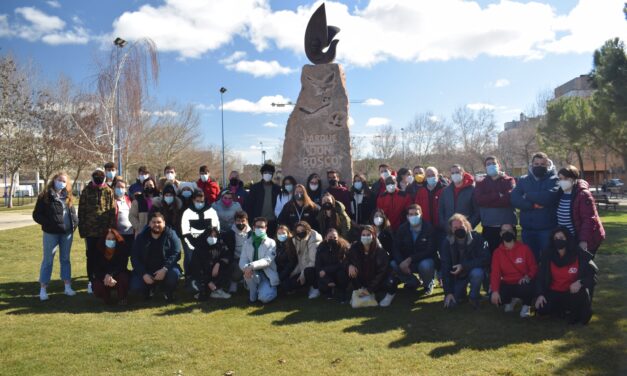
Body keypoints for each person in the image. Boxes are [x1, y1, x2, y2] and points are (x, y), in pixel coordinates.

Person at [535, 227, 597, 325]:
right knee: (541, 309)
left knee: (581, 316)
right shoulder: (548, 255)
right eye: (556, 238)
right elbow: (540, 277)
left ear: (567, 238)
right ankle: (561, 311)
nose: (558, 240)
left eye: (561, 237)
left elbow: (593, 277)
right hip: (553, 291)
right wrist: (540, 294)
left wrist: (580, 282)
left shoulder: (579, 254)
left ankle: (570, 311)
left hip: (571, 292)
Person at [33, 172, 78, 300]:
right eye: (60, 180)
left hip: (67, 233)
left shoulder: (67, 195)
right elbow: (36, 214)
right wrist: (48, 223)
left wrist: (75, 223)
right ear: (54, 180)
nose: (62, 183)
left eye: (64, 181)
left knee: (65, 259)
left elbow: (72, 212)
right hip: (50, 233)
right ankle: (43, 289)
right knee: (48, 260)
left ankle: (67, 287)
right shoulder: (45, 196)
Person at [511, 152, 559, 259]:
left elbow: (549, 197)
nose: (539, 166)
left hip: (547, 229)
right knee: (530, 260)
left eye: (542, 164)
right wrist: (532, 206)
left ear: (547, 165)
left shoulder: (554, 179)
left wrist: (527, 195)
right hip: (528, 230)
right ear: (532, 164)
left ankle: (546, 276)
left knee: (548, 259)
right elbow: (514, 199)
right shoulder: (523, 180)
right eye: (536, 164)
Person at [440, 214, 490, 309]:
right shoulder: (447, 242)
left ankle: (474, 297)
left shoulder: (477, 238)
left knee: (477, 273)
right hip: (456, 275)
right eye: (455, 227)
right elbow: (445, 267)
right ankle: (460, 294)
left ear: (467, 225)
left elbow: (486, 258)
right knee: (452, 304)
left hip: (472, 270)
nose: (459, 229)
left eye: (461, 226)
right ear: (451, 229)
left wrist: (463, 266)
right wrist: (448, 292)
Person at [78, 167, 115, 294]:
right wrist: (82, 230)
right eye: (96, 178)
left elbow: (112, 210)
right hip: (90, 231)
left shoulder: (109, 191)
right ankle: (91, 280)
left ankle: (104, 279)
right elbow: (81, 211)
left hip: (105, 231)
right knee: (91, 256)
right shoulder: (86, 191)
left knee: (106, 255)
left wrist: (111, 229)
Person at [130, 211, 182, 301]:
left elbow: (176, 253)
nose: (156, 225)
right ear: (149, 223)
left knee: (173, 275)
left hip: (166, 269)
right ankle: (149, 289)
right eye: (154, 222)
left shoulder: (171, 235)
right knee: (135, 286)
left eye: (159, 222)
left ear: (164, 223)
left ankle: (167, 291)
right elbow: (134, 257)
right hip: (147, 269)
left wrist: (165, 269)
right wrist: (144, 274)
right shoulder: (141, 237)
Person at [489, 224, 537, 318]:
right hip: (507, 282)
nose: (506, 233)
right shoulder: (497, 253)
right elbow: (495, 273)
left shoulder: (525, 249)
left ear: (514, 232)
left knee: (527, 286)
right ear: (500, 234)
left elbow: (534, 267)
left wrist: (528, 276)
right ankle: (510, 301)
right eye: (504, 231)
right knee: (494, 298)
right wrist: (495, 291)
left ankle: (526, 305)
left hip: (522, 282)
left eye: (509, 230)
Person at [556, 165, 605, 255]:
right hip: (567, 237)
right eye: (560, 179)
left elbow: (589, 219)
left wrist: (583, 240)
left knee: (582, 265)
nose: (562, 181)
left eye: (565, 178)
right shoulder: (560, 193)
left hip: (582, 237)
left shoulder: (583, 194)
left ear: (573, 178)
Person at [473, 156, 517, 254]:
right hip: (489, 226)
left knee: (510, 253)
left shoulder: (509, 180)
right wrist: (498, 195)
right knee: (491, 254)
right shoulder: (481, 182)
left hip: (507, 225)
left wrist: (488, 201)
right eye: (488, 164)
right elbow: (479, 200)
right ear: (485, 167)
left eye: (493, 163)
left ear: (499, 165)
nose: (491, 166)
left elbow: (509, 199)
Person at [347, 225, 397, 307]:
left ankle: (390, 295)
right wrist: (349, 265)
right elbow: (347, 258)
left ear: (373, 236)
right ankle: (360, 291)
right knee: (350, 271)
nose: (365, 237)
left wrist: (370, 289)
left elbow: (381, 274)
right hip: (363, 279)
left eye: (368, 235)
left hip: (378, 281)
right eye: (363, 235)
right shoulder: (355, 247)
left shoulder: (380, 252)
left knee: (391, 281)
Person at [391, 204, 436, 294]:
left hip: (424, 260)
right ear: (407, 217)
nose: (413, 216)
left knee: (426, 265)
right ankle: (413, 282)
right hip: (407, 263)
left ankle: (428, 284)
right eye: (411, 214)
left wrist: (410, 259)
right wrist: (401, 262)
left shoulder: (428, 228)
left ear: (421, 215)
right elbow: (395, 248)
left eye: (416, 214)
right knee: (393, 264)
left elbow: (430, 250)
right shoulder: (402, 228)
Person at [180, 189, 220, 285]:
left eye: (202, 201)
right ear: (193, 200)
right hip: (192, 242)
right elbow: (185, 231)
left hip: (208, 242)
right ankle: (189, 280)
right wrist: (193, 245)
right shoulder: (187, 212)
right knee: (189, 259)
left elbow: (216, 228)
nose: (200, 203)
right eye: (197, 201)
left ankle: (208, 281)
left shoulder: (211, 211)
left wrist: (210, 242)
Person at [239, 217, 279, 304]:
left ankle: (266, 290)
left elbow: (267, 261)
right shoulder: (247, 243)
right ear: (253, 228)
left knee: (265, 298)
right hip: (253, 273)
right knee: (248, 273)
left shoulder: (271, 242)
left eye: (262, 227)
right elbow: (242, 260)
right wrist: (246, 268)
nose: (259, 229)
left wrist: (251, 265)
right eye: (257, 227)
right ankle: (252, 297)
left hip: (267, 275)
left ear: (266, 228)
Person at [189, 227, 232, 300]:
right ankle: (205, 291)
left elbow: (227, 256)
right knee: (194, 289)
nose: (213, 238)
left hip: (214, 275)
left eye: (215, 236)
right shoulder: (198, 249)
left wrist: (218, 263)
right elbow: (196, 268)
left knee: (228, 268)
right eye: (210, 236)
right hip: (202, 277)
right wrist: (208, 281)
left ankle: (217, 289)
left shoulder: (220, 245)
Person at [92, 228, 130, 305]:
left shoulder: (122, 249)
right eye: (108, 239)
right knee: (97, 285)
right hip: (103, 277)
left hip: (117, 275)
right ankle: (106, 299)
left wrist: (110, 275)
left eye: (113, 239)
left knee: (124, 277)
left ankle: (122, 298)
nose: (111, 241)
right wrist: (105, 276)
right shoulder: (98, 251)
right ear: (104, 239)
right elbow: (96, 269)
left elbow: (122, 266)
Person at [438, 164, 480, 231]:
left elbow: (477, 212)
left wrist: (468, 226)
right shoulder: (445, 191)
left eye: (457, 172)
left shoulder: (472, 190)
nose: (455, 174)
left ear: (463, 173)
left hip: (466, 230)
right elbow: (441, 210)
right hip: (449, 230)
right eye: (453, 173)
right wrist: (444, 225)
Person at [243, 163, 281, 237]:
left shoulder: (277, 188)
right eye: (265, 172)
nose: (267, 174)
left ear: (272, 174)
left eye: (270, 173)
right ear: (262, 174)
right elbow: (248, 205)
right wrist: (251, 221)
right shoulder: (255, 188)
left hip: (273, 221)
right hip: (258, 222)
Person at [288, 221, 323, 298]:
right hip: (302, 268)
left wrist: (302, 274)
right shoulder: (296, 240)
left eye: (302, 231)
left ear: (308, 230)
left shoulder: (314, 240)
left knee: (308, 271)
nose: (300, 233)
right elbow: (300, 261)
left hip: (314, 270)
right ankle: (304, 286)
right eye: (298, 231)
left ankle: (315, 287)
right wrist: (293, 274)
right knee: (287, 284)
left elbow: (313, 262)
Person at [315, 228, 349, 300]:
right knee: (322, 285)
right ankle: (328, 291)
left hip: (338, 271)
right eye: (330, 237)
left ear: (338, 237)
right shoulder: (321, 248)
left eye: (334, 237)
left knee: (341, 274)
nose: (332, 239)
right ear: (325, 237)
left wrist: (326, 270)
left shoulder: (343, 247)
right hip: (326, 274)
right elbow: (318, 264)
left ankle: (342, 291)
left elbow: (342, 264)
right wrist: (327, 280)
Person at [223, 210, 252, 293]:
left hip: (249, 259)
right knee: (237, 269)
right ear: (235, 221)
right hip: (235, 259)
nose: (241, 223)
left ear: (247, 221)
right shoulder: (229, 233)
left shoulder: (252, 234)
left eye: (243, 221)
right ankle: (234, 281)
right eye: (238, 221)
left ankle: (247, 281)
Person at [113, 178, 134, 268]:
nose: (120, 189)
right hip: (119, 235)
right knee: (121, 258)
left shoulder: (129, 200)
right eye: (118, 187)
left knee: (133, 256)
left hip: (131, 234)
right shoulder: (112, 201)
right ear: (114, 188)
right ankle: (121, 275)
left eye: (122, 187)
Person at [274, 225, 298, 294]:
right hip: (278, 270)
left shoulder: (292, 244)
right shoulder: (274, 244)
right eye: (279, 233)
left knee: (285, 285)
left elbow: (292, 263)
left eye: (283, 233)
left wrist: (281, 276)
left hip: (289, 272)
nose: (281, 235)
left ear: (288, 233)